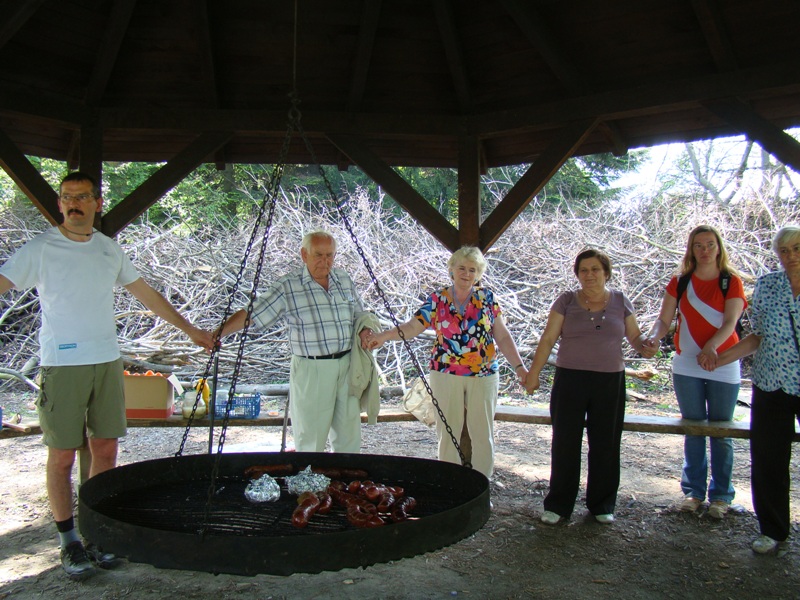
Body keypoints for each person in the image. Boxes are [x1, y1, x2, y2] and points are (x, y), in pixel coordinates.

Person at [0, 172, 214, 581]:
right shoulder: (41, 248)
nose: (73, 203)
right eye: (67, 197)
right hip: (62, 365)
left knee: (105, 450)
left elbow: (147, 294)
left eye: (82, 197)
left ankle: (96, 532)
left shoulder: (107, 248)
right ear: (60, 204)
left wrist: (190, 330)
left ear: (97, 204)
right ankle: (69, 541)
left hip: (106, 361)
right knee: (62, 455)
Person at [367, 246, 527, 478]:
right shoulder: (437, 299)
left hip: (483, 374)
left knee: (483, 434)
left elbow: (502, 335)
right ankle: (450, 483)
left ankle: (481, 485)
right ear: (451, 269)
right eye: (461, 268)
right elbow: (412, 327)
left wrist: (519, 367)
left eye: (472, 269)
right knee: (448, 433)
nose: (466, 273)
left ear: (478, 274)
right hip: (445, 373)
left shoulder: (487, 298)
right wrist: (384, 336)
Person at [524, 248, 655, 525]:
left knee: (606, 443)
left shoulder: (621, 301)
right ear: (577, 274)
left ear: (606, 273)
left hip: (609, 380)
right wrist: (533, 374)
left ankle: (601, 504)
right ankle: (558, 505)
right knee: (565, 442)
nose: (589, 275)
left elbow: (635, 337)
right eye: (583, 270)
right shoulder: (566, 301)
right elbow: (548, 339)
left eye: (595, 269)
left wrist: (646, 345)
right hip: (570, 379)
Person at [218, 230, 375, 453]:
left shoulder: (343, 279)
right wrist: (217, 334)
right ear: (304, 255)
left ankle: (347, 475)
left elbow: (360, 315)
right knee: (311, 438)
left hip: (348, 365)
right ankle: (309, 475)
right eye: (318, 255)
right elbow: (253, 313)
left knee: (349, 435)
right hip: (312, 368)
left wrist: (365, 330)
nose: (325, 261)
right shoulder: (288, 286)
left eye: (330, 255)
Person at [702, 225, 800, 555]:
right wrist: (719, 359)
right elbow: (757, 336)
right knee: (769, 460)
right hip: (771, 382)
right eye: (784, 250)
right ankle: (772, 530)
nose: (790, 256)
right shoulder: (769, 285)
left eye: (797, 248)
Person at [643, 225, 746, 519]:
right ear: (691, 249)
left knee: (721, 430)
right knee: (693, 427)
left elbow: (730, 322)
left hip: (722, 361)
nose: (704, 250)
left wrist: (711, 348)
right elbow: (664, 320)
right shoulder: (680, 281)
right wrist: (653, 337)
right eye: (698, 245)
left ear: (719, 247)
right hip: (687, 364)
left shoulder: (730, 281)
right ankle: (693, 492)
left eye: (710, 244)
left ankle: (721, 496)